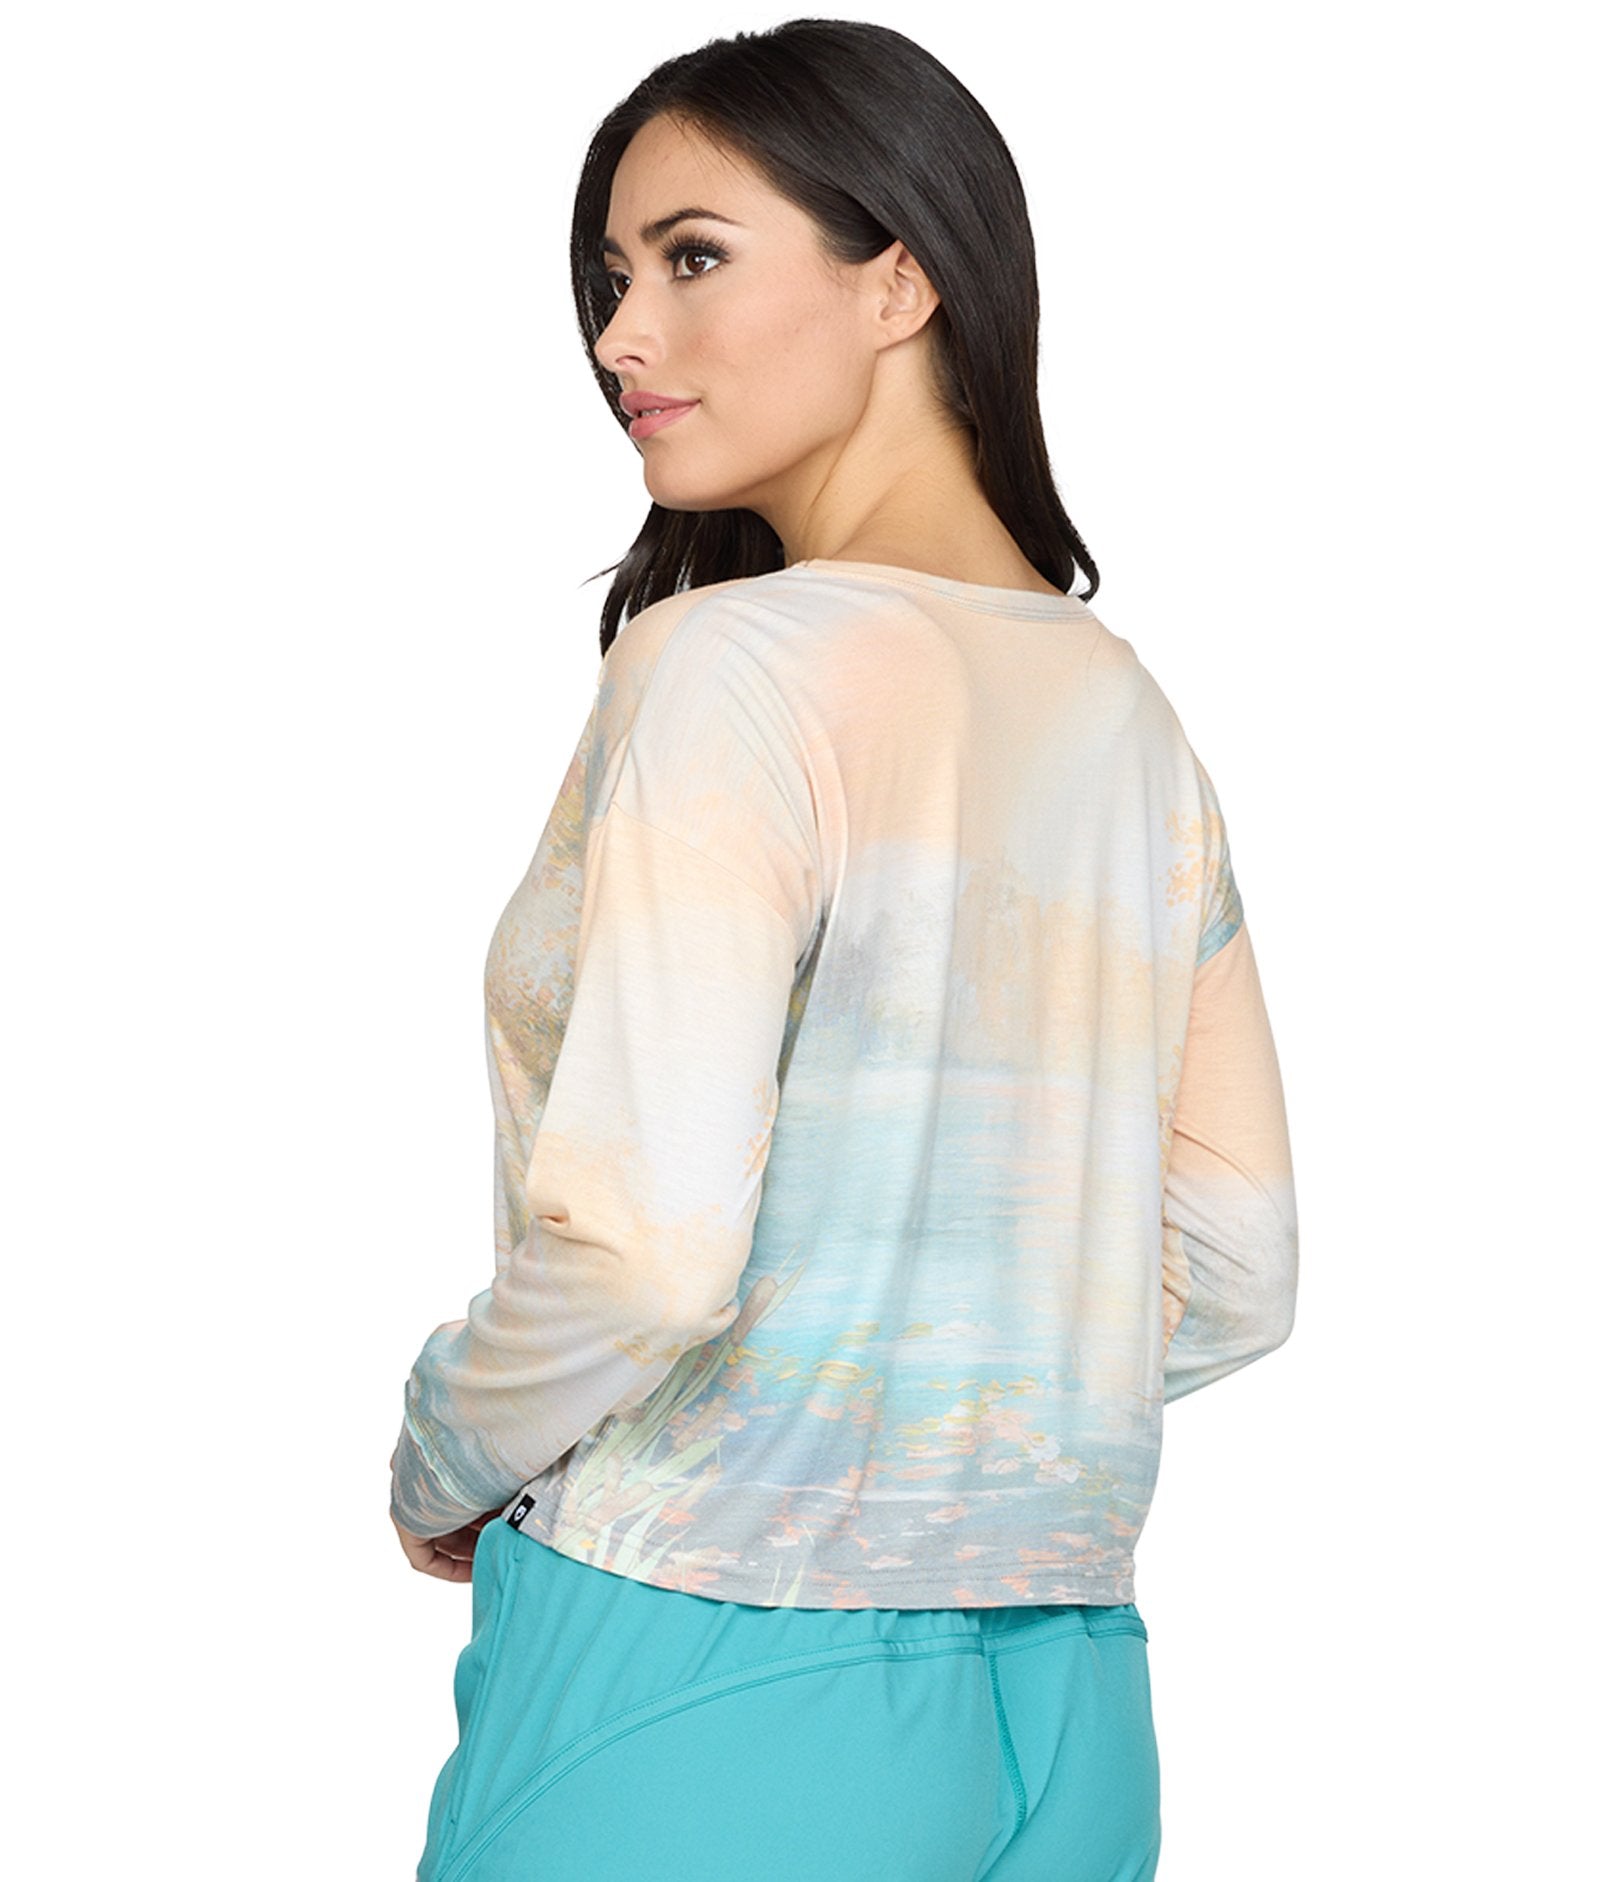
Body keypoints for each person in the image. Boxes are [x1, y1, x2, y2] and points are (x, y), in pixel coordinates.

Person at [388, 19, 1298, 1881]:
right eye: (612, 279)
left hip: (702, 1671)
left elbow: (645, 1251)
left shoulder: (737, 667)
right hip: (1067, 1694)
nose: (619, 336)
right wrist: (955, 1410)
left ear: (903, 279)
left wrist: (443, 1451)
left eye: (692, 258)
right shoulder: (1128, 720)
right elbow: (1238, 1269)